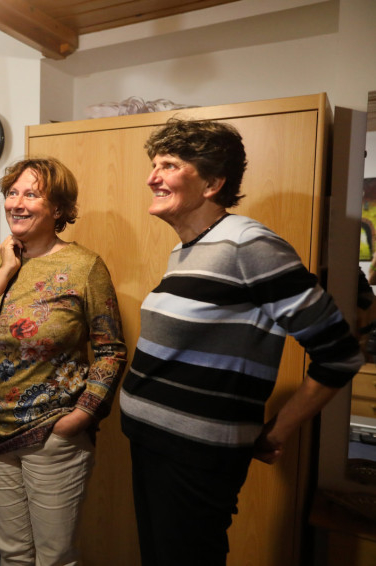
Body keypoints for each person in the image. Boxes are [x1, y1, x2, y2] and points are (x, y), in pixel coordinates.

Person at [120, 118, 365, 566]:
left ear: (212, 183)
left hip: (195, 457)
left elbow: (340, 354)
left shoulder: (248, 245)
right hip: (152, 442)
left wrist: (278, 429)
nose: (152, 177)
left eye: (169, 165)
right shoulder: (186, 250)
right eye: (154, 165)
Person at [0, 157, 127, 565]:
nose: (17, 203)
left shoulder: (84, 267)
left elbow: (110, 350)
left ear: (58, 208)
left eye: (31, 194)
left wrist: (81, 416)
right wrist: (5, 270)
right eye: (12, 193)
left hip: (52, 436)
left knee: (54, 558)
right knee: (12, 554)